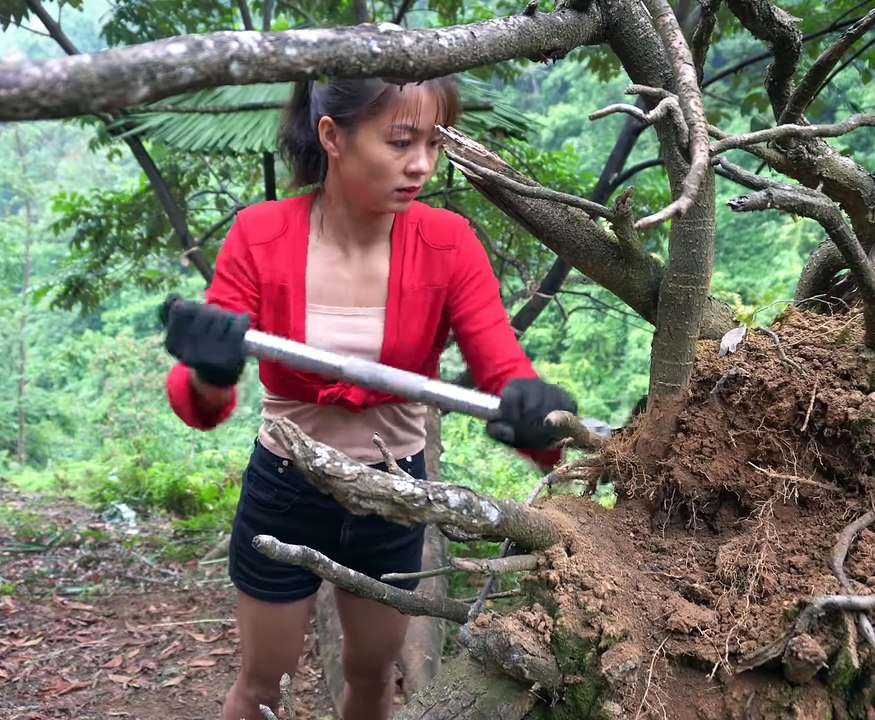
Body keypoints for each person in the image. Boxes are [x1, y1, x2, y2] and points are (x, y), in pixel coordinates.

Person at [160, 74, 577, 720]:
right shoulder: (260, 234)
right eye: (401, 141)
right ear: (333, 136)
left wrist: (537, 416)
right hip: (285, 487)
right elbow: (199, 404)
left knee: (373, 675)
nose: (422, 164)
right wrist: (210, 370)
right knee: (261, 684)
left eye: (434, 143)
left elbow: (503, 368)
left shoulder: (447, 243)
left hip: (394, 493)